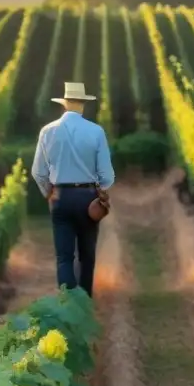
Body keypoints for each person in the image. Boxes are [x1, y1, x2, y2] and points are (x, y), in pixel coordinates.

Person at [30, 82, 115, 296]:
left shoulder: (47, 131)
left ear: (65, 104)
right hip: (88, 198)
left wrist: (48, 193)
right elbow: (107, 175)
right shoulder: (96, 131)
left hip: (60, 196)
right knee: (87, 256)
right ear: (83, 105)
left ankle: (68, 305)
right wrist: (101, 191)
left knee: (64, 257)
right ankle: (84, 302)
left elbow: (38, 172)